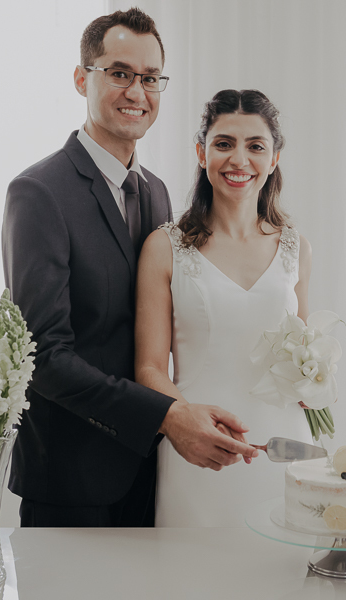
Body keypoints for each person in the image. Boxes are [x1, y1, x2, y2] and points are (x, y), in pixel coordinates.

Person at [1, 9, 257, 528]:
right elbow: (44, 356)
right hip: (71, 477)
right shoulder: (38, 193)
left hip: (152, 469)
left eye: (150, 78)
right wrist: (167, 415)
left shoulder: (156, 192)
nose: (136, 91)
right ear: (82, 78)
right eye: (119, 73)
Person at [136, 89, 314, 526]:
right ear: (202, 153)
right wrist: (186, 422)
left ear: (274, 159)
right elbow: (149, 369)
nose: (239, 159)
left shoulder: (296, 247)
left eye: (255, 146)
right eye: (224, 143)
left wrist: (318, 384)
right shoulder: (164, 247)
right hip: (199, 452)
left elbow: (305, 355)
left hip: (285, 449)